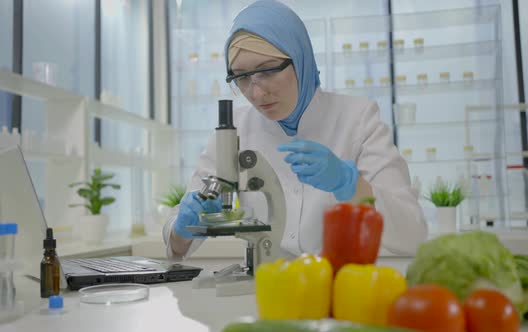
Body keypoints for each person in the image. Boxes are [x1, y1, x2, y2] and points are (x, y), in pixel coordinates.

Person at [163, 0, 427, 260]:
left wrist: (351, 185)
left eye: (267, 71)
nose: (255, 93)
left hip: (339, 286)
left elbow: (413, 233)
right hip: (267, 286)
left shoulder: (358, 119)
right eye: (241, 77)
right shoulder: (235, 129)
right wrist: (182, 229)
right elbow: (178, 245)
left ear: (300, 58)